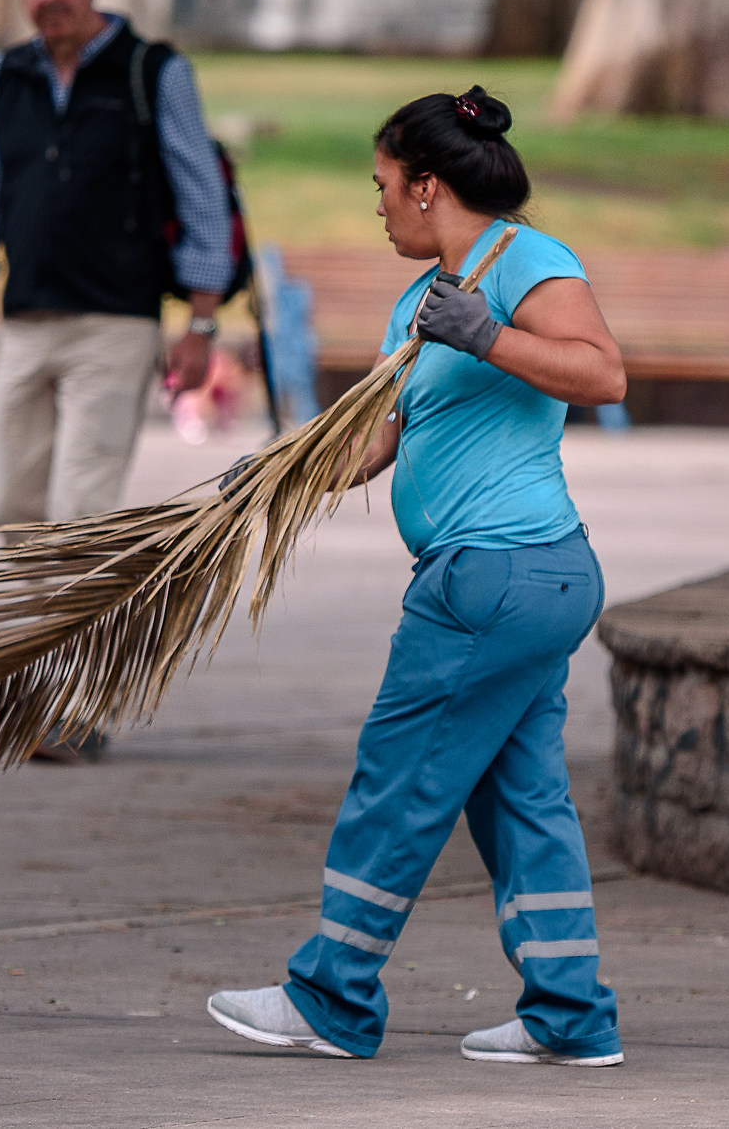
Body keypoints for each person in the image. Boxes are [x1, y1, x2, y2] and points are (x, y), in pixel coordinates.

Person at [205, 86, 628, 1067]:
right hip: (515, 583)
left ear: (428, 185)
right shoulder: (417, 301)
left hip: (496, 579)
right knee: (519, 797)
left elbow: (603, 374)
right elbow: (376, 443)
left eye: (385, 185)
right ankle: (570, 1015)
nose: (380, 205)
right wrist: (274, 478)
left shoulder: (528, 262)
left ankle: (332, 994)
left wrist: (488, 334)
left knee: (398, 778)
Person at [0, 0, 229, 531]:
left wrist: (200, 326)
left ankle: (74, 602)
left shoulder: (154, 72)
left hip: (116, 325)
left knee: (80, 515)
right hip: (25, 322)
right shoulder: (4, 76)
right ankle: (40, 605)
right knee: (9, 513)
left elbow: (205, 206)